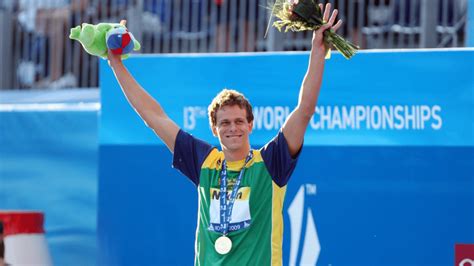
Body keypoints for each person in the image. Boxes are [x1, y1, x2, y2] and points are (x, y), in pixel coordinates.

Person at [108, 3, 342, 265]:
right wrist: (116, 65)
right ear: (214, 128)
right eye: (226, 122)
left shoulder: (271, 163)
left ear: (250, 125)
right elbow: (154, 117)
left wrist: (317, 53)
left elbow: (304, 110)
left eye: (239, 121)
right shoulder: (204, 162)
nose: (233, 128)